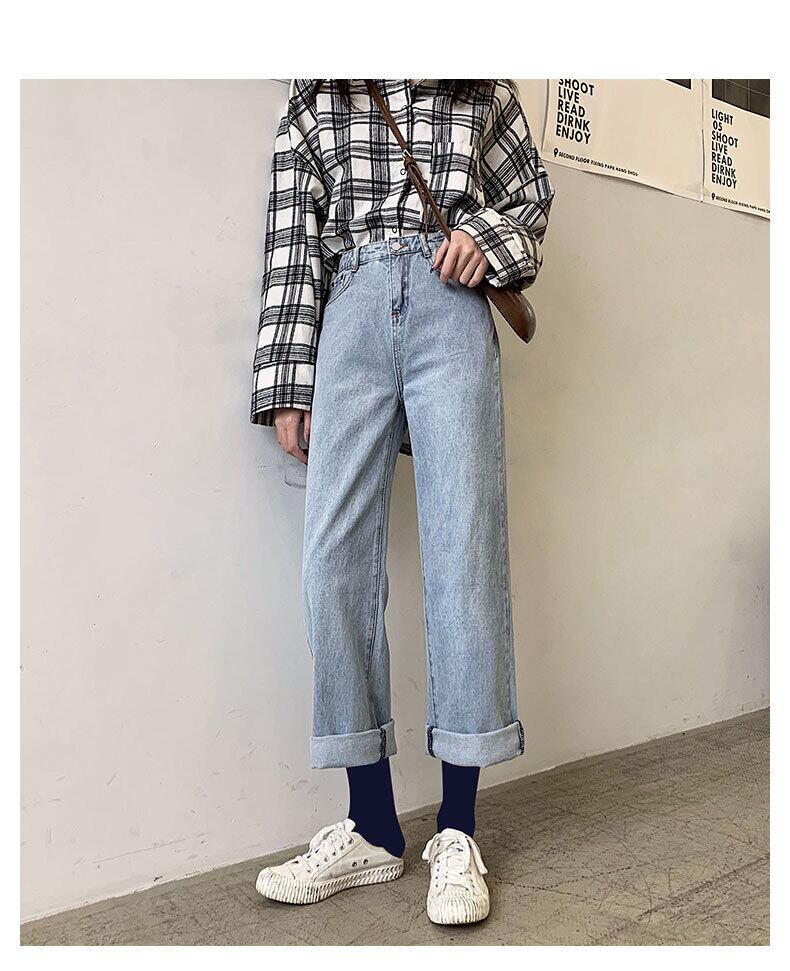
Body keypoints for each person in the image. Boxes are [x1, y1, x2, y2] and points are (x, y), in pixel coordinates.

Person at [251, 79, 554, 925]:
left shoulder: (480, 83)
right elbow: (291, 241)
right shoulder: (320, 86)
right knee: (334, 563)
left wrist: (481, 238)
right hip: (348, 308)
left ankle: (457, 829)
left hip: (450, 311)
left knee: (465, 553)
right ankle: (374, 826)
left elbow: (529, 199)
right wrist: (287, 382)